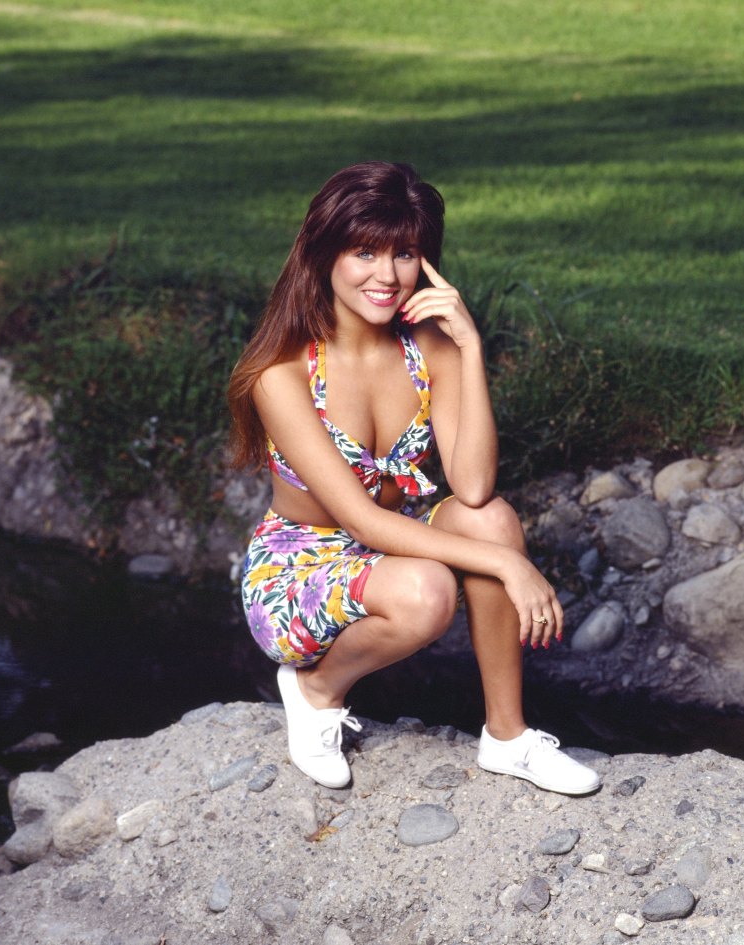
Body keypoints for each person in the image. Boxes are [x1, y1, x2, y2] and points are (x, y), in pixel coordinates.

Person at [227, 162, 599, 795]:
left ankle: (507, 737)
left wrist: (470, 347)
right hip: (300, 568)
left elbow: (474, 486)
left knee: (493, 518)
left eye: (404, 253)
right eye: (364, 251)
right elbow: (361, 521)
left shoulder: (427, 345)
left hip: (387, 543)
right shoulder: (281, 374)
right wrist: (511, 567)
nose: (387, 275)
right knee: (430, 591)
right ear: (324, 254)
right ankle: (316, 689)